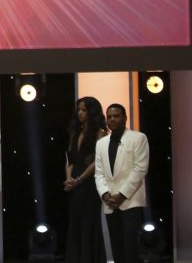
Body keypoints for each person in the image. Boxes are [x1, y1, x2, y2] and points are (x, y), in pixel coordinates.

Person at [94, 103, 149, 263]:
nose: (112, 120)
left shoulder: (138, 138)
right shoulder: (101, 143)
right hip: (110, 202)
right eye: (109, 117)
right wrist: (105, 194)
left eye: (116, 116)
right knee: (116, 246)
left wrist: (122, 194)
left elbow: (140, 169)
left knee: (131, 248)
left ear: (125, 118)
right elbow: (99, 173)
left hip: (130, 200)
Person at [63, 97, 108, 263]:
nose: (80, 113)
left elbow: (98, 161)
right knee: (75, 221)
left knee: (89, 221)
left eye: (84, 110)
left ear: (92, 111)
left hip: (89, 182)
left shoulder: (100, 133)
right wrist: (69, 178)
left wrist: (79, 180)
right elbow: (70, 159)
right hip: (74, 181)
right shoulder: (75, 132)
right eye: (79, 110)